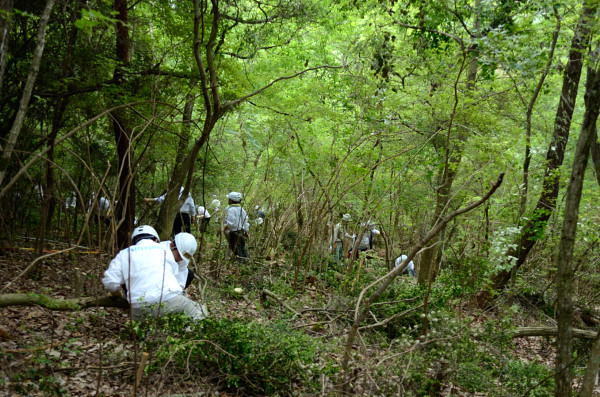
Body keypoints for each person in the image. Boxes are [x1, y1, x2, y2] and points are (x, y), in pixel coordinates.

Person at [102, 225, 207, 321]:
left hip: (137, 308)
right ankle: (189, 336)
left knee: (149, 333)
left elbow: (110, 281)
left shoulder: (124, 253)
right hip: (168, 300)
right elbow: (175, 279)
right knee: (200, 311)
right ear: (156, 239)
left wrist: (117, 295)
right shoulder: (164, 250)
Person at [223, 191, 250, 260]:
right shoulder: (242, 209)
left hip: (234, 232)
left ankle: (239, 260)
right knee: (240, 247)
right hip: (241, 231)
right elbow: (245, 221)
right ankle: (234, 259)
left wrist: (225, 228)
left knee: (236, 248)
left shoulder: (231, 210)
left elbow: (231, 224)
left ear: (231, 200)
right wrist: (246, 231)